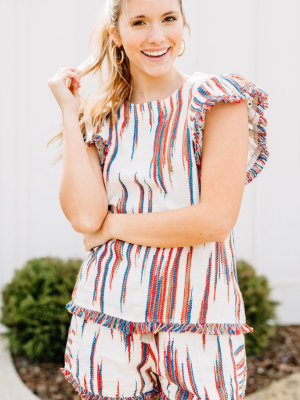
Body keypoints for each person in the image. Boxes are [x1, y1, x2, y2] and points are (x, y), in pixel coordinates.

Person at [47, 0, 269, 399]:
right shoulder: (102, 117)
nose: (156, 36)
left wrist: (112, 226)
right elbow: (84, 216)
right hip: (109, 311)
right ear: (116, 34)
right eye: (139, 22)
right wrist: (70, 112)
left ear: (184, 24)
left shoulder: (217, 100)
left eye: (169, 19)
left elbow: (215, 220)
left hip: (198, 317)